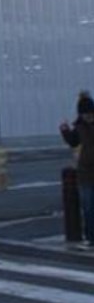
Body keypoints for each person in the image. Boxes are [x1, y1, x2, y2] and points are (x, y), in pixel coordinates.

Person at [59, 91, 94, 248]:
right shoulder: (79, 127)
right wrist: (65, 131)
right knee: (88, 207)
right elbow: (73, 142)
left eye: (90, 113)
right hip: (85, 172)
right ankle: (91, 237)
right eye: (86, 114)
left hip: (87, 170)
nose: (89, 116)